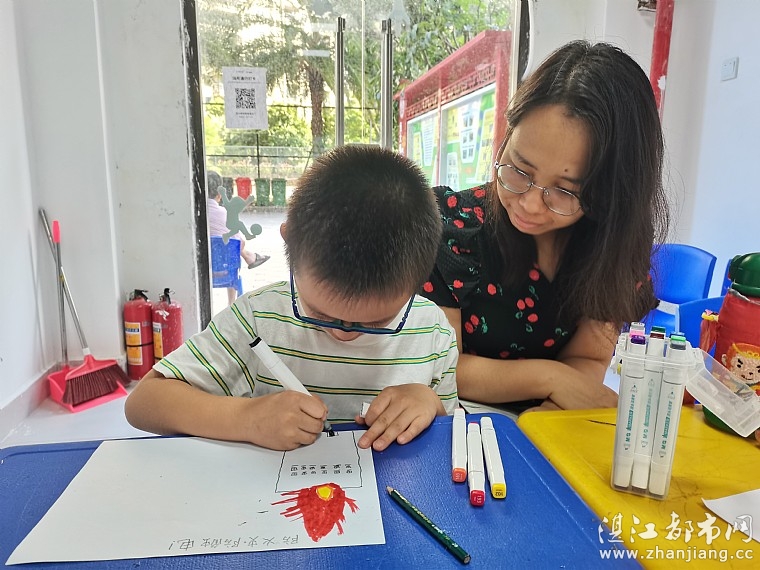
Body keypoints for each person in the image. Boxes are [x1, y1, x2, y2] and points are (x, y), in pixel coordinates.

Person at [126, 145, 459, 451]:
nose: (343, 333)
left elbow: (452, 430)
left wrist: (430, 403)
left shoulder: (433, 332)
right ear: (290, 243)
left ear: (420, 280)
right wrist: (247, 419)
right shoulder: (259, 317)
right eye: (319, 313)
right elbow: (144, 403)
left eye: (374, 323)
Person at [420, 40, 668, 415]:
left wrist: (549, 414)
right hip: (457, 423)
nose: (530, 204)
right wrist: (552, 379)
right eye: (519, 170)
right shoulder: (454, 227)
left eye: (565, 192)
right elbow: (441, 367)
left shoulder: (612, 246)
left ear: (612, 194)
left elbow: (588, 359)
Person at [206, 170, 270, 269]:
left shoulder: (192, 215)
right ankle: (250, 257)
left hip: (202, 265)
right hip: (226, 269)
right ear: (219, 195)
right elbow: (240, 243)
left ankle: (250, 257)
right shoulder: (225, 214)